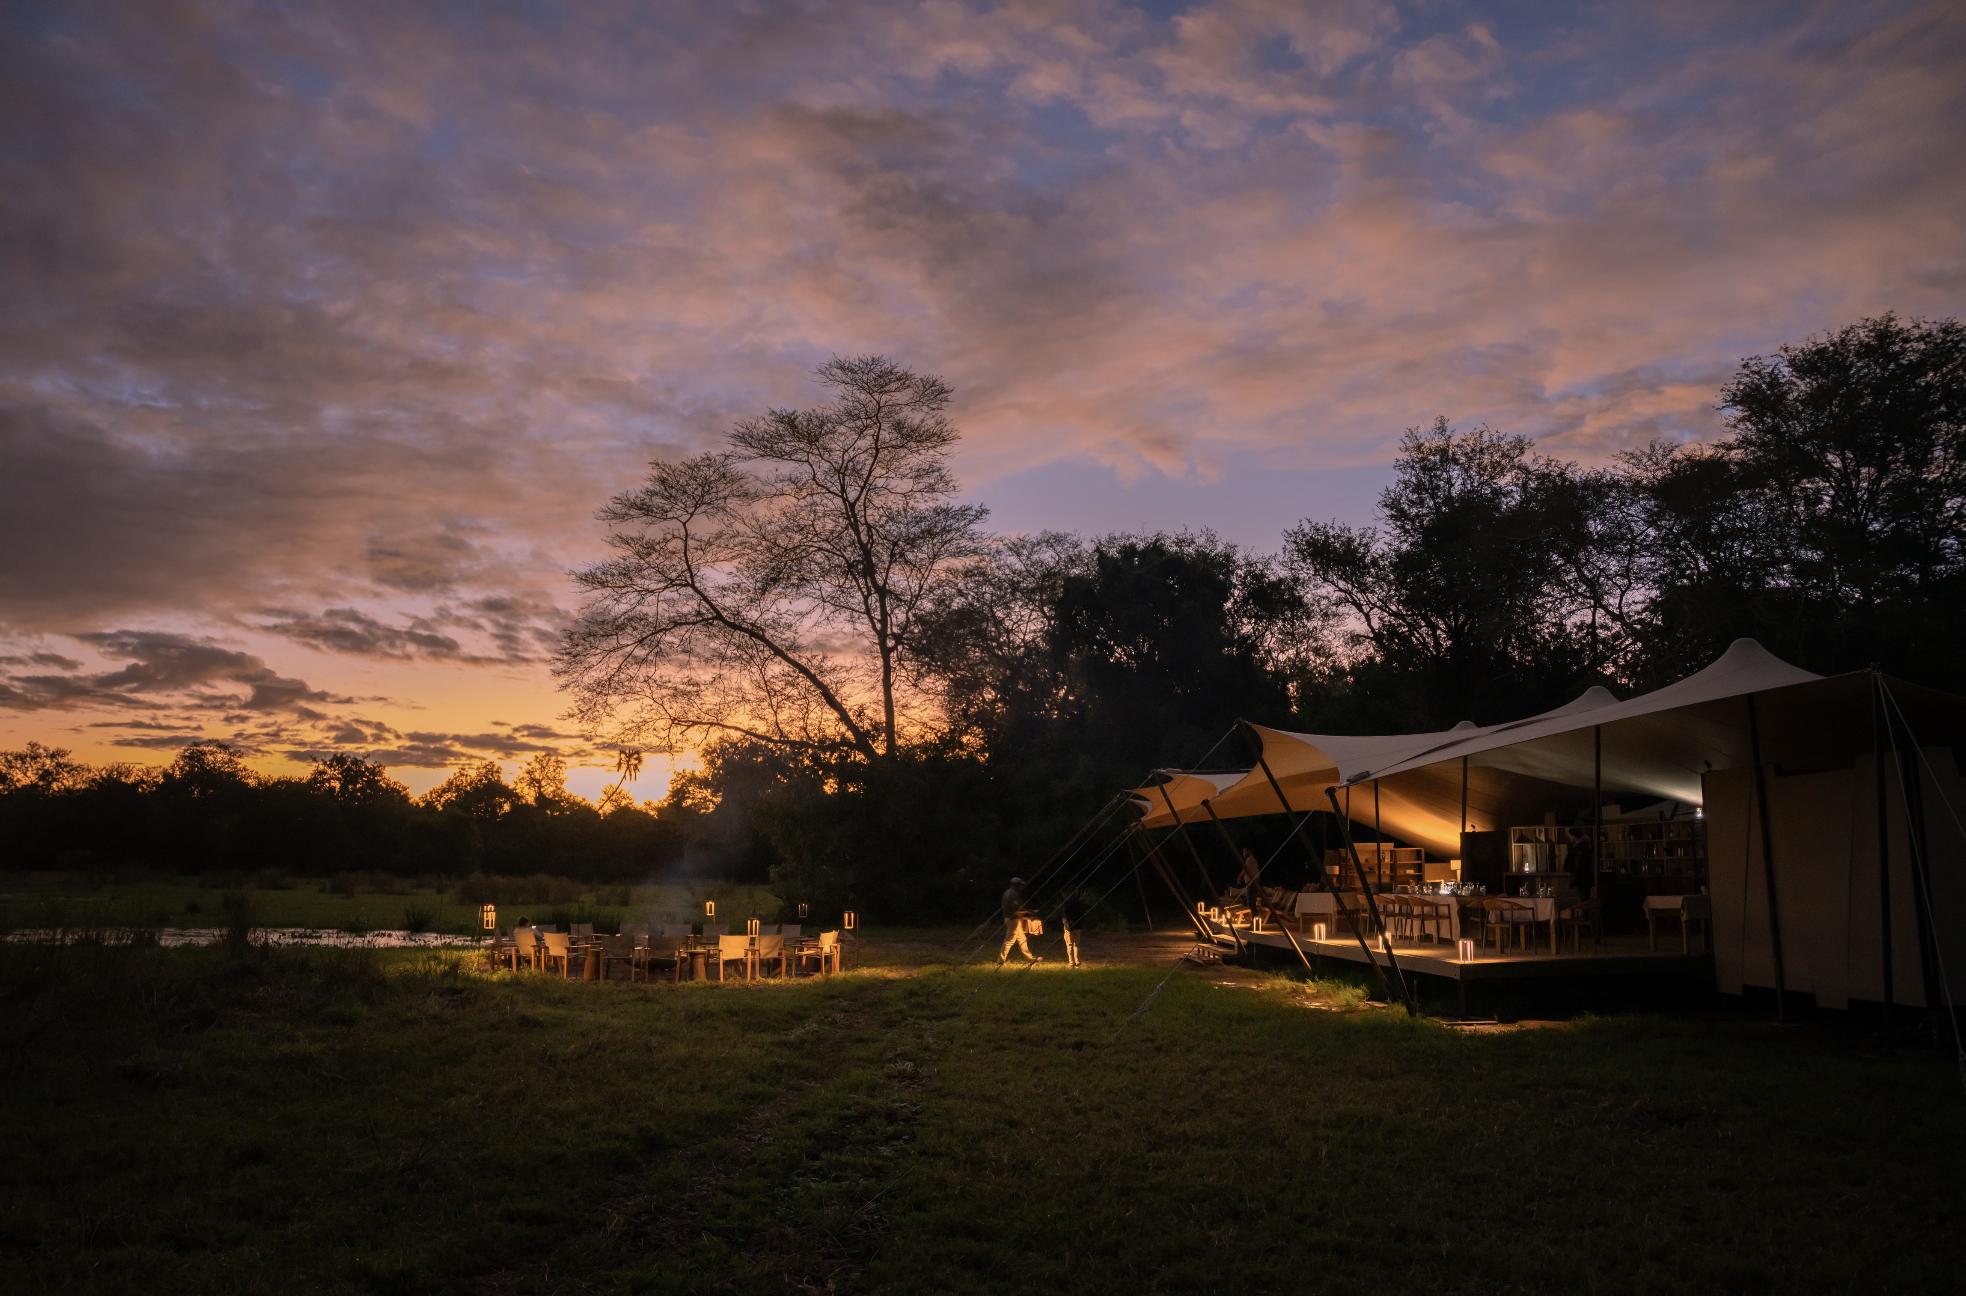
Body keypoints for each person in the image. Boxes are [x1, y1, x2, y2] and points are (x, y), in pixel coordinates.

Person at [997, 876, 1041, 964]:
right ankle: (1000, 961)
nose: (1021, 887)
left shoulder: (1007, 892)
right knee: (1009, 941)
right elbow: (1017, 910)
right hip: (1013, 920)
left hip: (1009, 918)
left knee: (1022, 939)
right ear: (1016, 885)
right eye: (1020, 885)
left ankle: (1030, 958)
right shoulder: (1014, 894)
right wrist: (1030, 913)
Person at [1563, 824, 1596, 899]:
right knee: (1584, 899)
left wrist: (1573, 881)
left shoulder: (1578, 849)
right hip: (1585, 880)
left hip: (1580, 881)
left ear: (1574, 836)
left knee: (1581, 901)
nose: (1569, 838)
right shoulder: (1585, 847)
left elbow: (1577, 866)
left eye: (1569, 836)